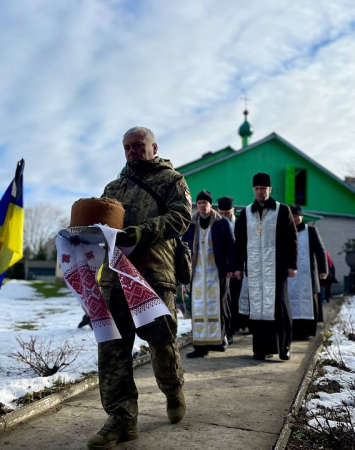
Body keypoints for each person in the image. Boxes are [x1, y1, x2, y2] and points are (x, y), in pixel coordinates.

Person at [89, 126, 192, 449]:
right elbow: (102, 226)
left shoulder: (171, 180)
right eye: (127, 148)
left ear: (153, 147)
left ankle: (172, 388)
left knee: (161, 340)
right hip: (115, 276)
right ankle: (121, 419)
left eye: (138, 145)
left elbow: (181, 217)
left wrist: (142, 232)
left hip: (152, 274)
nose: (132, 151)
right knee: (112, 348)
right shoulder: (114, 186)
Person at [234, 172, 298, 361]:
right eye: (257, 188)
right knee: (258, 309)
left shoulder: (282, 209)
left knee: (279, 307)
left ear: (269, 189)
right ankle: (260, 349)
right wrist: (237, 266)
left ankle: (284, 347)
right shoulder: (246, 212)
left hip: (276, 268)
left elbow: (291, 240)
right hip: (254, 269)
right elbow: (239, 241)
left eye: (263, 188)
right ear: (253, 190)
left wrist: (292, 265)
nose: (260, 191)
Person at [182, 190, 234, 358]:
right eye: (199, 203)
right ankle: (200, 346)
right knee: (198, 308)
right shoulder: (190, 223)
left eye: (205, 203)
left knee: (218, 305)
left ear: (211, 205)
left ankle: (219, 339)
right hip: (197, 273)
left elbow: (231, 246)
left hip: (216, 272)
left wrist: (231, 268)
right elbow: (183, 247)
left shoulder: (222, 222)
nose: (202, 206)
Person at [288, 205, 328, 339]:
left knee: (309, 301)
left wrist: (323, 270)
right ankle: (292, 331)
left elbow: (320, 250)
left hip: (308, 275)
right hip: (290, 274)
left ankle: (306, 332)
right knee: (290, 301)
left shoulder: (311, 230)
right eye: (292, 217)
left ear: (302, 217)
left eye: (296, 217)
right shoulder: (285, 230)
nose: (295, 220)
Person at [217, 195, 247, 341]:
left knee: (235, 301)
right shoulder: (216, 224)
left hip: (238, 270)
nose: (224, 217)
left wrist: (238, 268)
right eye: (221, 214)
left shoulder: (240, 224)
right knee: (223, 301)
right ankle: (225, 331)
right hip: (222, 271)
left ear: (233, 211)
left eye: (227, 214)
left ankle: (232, 330)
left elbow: (242, 248)